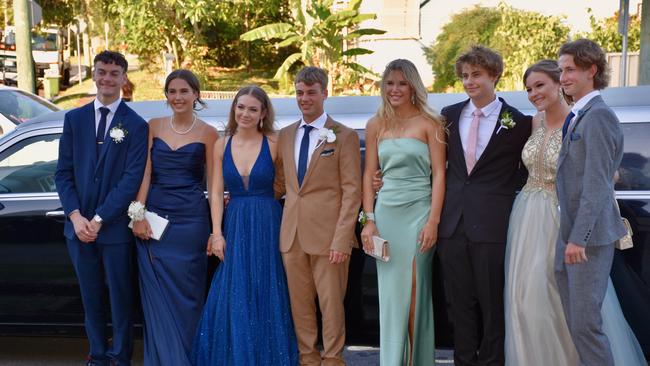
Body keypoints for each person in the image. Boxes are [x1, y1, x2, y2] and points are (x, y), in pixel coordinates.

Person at [504, 59, 646, 366]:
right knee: (526, 300)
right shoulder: (534, 122)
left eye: (540, 85)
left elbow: (602, 175)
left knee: (565, 303)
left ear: (559, 84)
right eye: (528, 89)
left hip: (563, 217)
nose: (533, 94)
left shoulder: (581, 120)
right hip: (527, 218)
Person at [436, 46, 531, 366]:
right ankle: (463, 360)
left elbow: (526, 172)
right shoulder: (447, 116)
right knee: (458, 303)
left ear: (494, 75)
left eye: (476, 75)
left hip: (493, 225)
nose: (468, 81)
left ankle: (492, 362)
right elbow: (434, 166)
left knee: (493, 305)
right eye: (464, 76)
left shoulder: (519, 123)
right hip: (451, 224)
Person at [191, 85, 299, 365]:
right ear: (233, 109)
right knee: (234, 290)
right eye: (241, 107)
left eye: (253, 109)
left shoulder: (275, 142)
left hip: (268, 223)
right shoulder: (221, 144)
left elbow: (294, 184)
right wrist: (216, 233)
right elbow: (215, 192)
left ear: (263, 113)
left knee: (268, 287)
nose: (245, 113)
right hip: (235, 224)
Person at [54, 50, 148, 366]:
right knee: (90, 298)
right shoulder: (73, 119)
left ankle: (119, 357)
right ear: (93, 74)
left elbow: (131, 178)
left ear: (123, 78)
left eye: (114, 73)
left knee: (121, 299)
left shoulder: (135, 125)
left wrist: (98, 218)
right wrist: (76, 216)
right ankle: (96, 356)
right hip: (78, 230)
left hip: (115, 228)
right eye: (102, 71)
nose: (107, 78)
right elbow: (63, 173)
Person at [360, 59, 446, 365]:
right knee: (391, 297)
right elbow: (369, 175)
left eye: (402, 83)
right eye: (389, 83)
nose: (394, 89)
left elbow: (439, 176)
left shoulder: (430, 123)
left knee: (415, 288)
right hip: (386, 216)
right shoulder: (375, 125)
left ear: (413, 87)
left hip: (420, 214)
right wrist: (368, 222)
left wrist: (433, 221)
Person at [129, 69, 218, 365]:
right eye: (172, 91)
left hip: (191, 223)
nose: (178, 97)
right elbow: (145, 174)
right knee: (157, 294)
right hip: (154, 220)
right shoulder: (153, 126)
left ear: (196, 94)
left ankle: (189, 357)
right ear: (166, 95)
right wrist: (137, 214)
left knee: (188, 295)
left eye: (184, 91)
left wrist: (214, 230)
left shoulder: (209, 133)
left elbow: (215, 186)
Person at [275, 67, 361, 366]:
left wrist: (342, 239)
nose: (305, 98)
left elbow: (353, 192)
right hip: (292, 235)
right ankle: (308, 359)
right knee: (299, 306)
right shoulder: (285, 135)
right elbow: (280, 184)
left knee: (331, 305)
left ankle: (333, 359)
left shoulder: (344, 136)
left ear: (325, 92)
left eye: (311, 92)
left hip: (329, 238)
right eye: (299, 92)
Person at [554, 38, 630, 366]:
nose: (563, 77)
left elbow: (597, 184)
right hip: (571, 233)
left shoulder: (598, 116)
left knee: (586, 325)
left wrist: (577, 238)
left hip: (589, 238)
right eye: (561, 71)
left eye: (570, 69)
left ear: (591, 71)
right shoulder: (579, 114)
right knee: (577, 323)